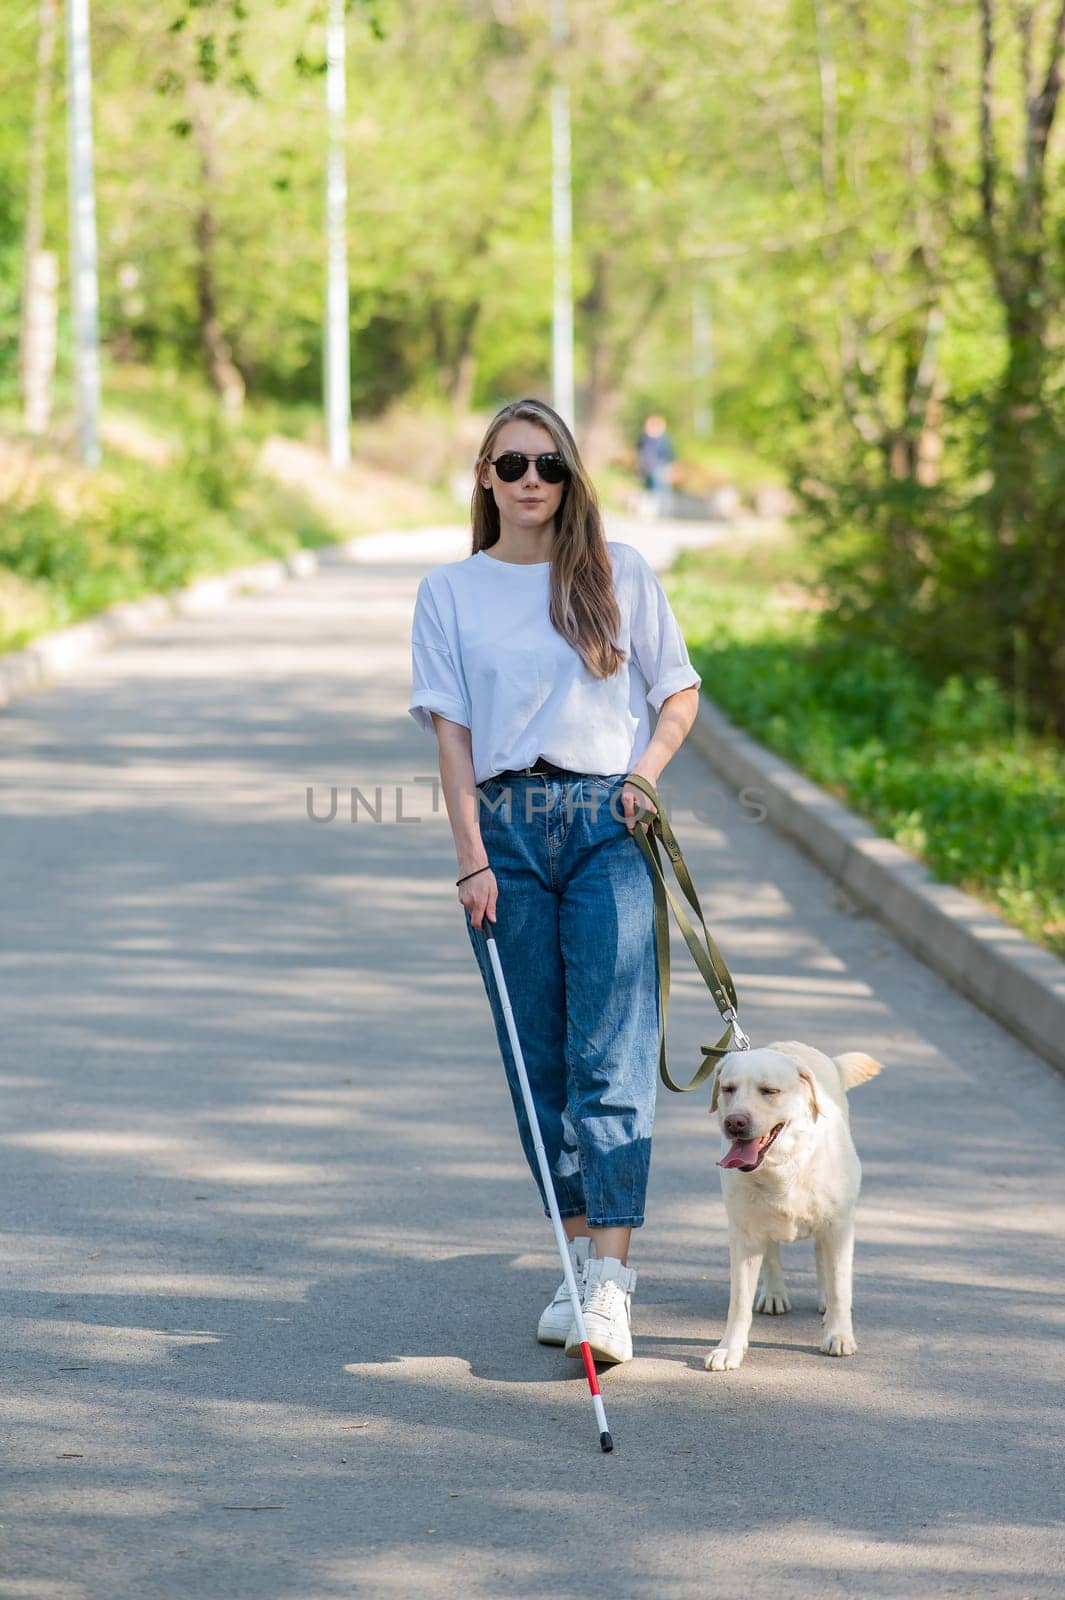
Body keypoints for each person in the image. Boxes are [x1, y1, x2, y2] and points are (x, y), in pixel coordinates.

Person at [407, 396, 702, 1365]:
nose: (531, 480)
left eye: (549, 465)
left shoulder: (617, 574)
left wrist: (644, 778)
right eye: (512, 464)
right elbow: (453, 739)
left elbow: (678, 691)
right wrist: (470, 857)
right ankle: (576, 1264)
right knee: (538, 1063)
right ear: (485, 479)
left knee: (610, 1054)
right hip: (506, 833)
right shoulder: (448, 593)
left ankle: (611, 1281)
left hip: (607, 823)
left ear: (571, 478)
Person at [635, 413, 675, 515]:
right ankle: (650, 511)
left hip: (659, 466)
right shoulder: (644, 438)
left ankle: (662, 512)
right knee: (648, 488)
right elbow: (639, 451)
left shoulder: (663, 439)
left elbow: (669, 454)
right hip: (647, 467)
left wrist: (669, 466)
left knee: (661, 489)